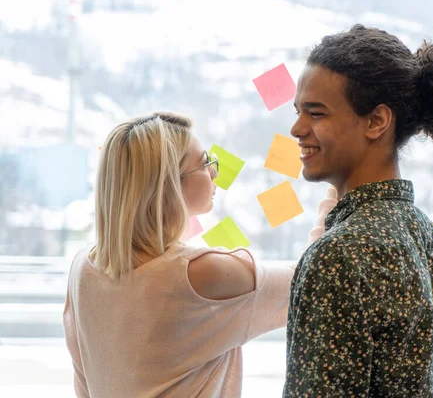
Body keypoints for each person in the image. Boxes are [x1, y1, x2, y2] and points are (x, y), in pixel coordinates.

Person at [62, 112, 335, 397]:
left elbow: (83, 382)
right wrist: (339, 186)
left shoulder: (83, 269)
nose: (215, 172)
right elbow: (310, 280)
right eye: (205, 163)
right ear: (168, 187)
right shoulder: (198, 275)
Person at [284, 24, 433, 397]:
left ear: (376, 121)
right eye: (298, 112)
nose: (297, 128)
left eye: (316, 113)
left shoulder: (339, 256)